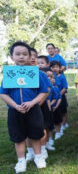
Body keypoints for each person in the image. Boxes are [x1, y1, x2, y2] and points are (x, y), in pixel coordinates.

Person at [0, 41, 49, 173]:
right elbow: (3, 94)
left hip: (33, 110)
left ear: (29, 56)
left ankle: (38, 157)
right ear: (12, 57)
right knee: (18, 136)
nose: (21, 57)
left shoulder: (37, 73)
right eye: (17, 54)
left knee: (36, 134)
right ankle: (21, 160)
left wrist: (32, 103)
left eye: (24, 54)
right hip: (15, 111)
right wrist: (15, 105)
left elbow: (44, 91)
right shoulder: (9, 74)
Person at [50, 61, 68, 140]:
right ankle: (56, 126)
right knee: (55, 113)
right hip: (52, 98)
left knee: (63, 112)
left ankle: (63, 125)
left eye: (56, 67)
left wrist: (58, 95)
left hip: (61, 97)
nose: (54, 69)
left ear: (60, 68)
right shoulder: (50, 76)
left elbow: (64, 88)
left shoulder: (62, 77)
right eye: (53, 67)